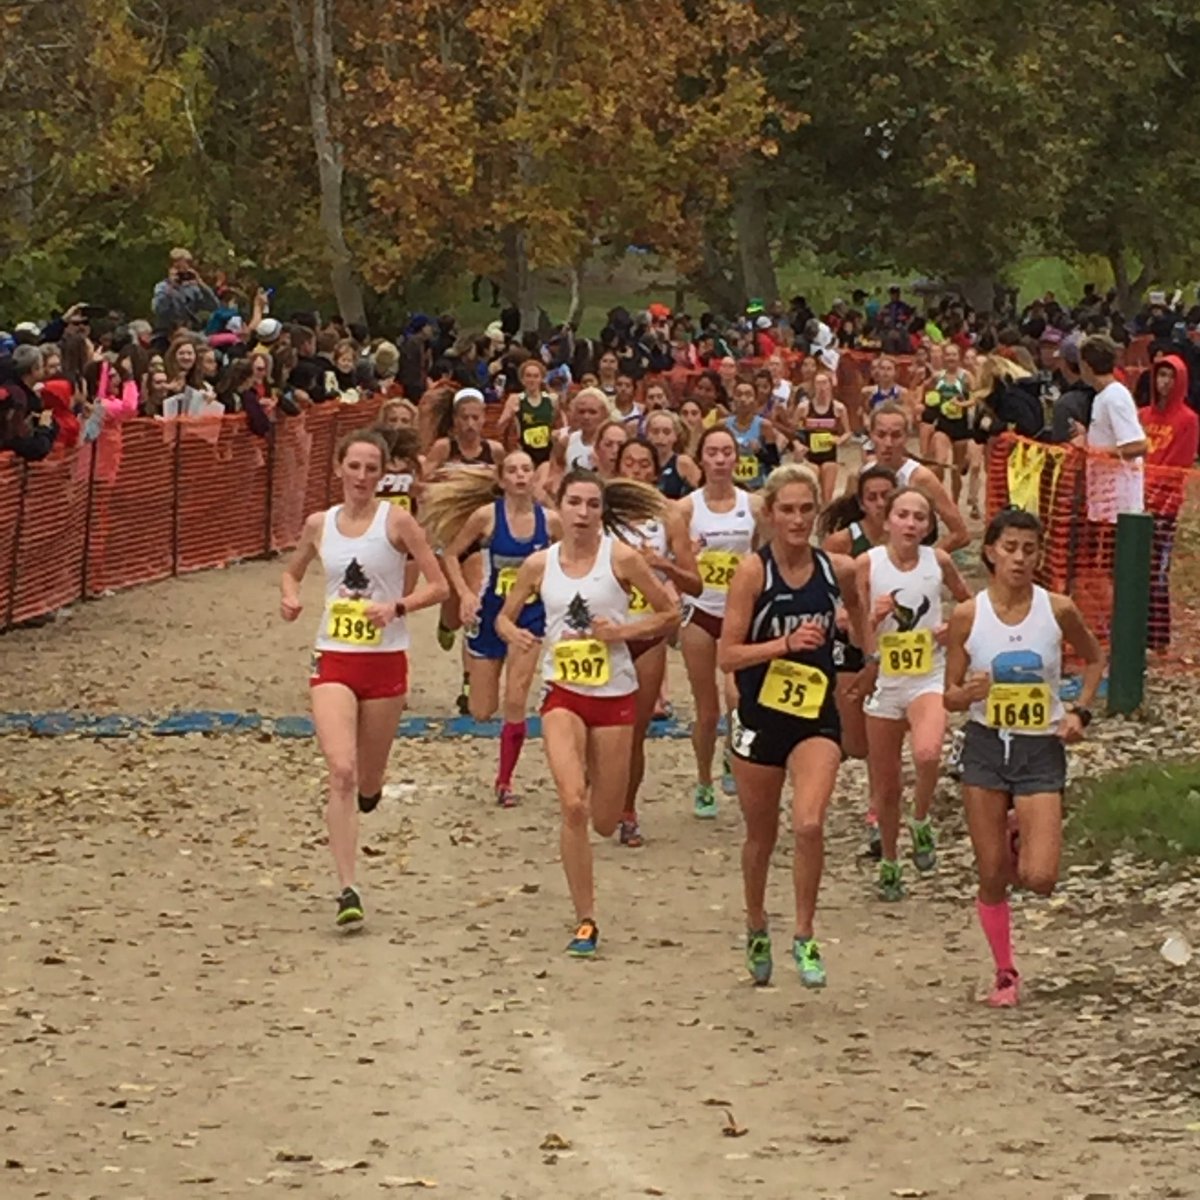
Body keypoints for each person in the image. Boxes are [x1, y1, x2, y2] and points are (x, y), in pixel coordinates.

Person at [496, 470, 679, 957]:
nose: (582, 513)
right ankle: (586, 918)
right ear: (559, 507)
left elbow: (669, 613)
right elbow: (504, 615)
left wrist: (621, 632)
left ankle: (600, 781)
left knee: (603, 820)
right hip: (563, 693)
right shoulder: (539, 564)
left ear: (602, 512)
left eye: (592, 504)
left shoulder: (621, 559)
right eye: (574, 502)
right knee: (573, 804)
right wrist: (515, 634)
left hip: (614, 695)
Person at [279, 429, 449, 927]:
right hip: (334, 657)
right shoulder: (319, 524)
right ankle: (347, 888)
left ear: (382, 474)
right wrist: (290, 597)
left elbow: (439, 586)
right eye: (353, 466)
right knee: (341, 770)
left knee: (368, 777)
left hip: (384, 660)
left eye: (371, 468)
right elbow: (292, 571)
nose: (361, 476)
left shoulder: (397, 522)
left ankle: (372, 789)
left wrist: (397, 606)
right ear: (338, 468)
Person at [944, 509, 1103, 1006]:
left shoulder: (1058, 609)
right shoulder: (968, 615)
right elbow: (949, 695)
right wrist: (968, 692)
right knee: (990, 871)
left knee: (1040, 878)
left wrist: (1079, 712)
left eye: (1029, 550)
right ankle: (1005, 972)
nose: (1018, 558)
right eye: (1010, 548)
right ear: (990, 551)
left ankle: (1019, 833)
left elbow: (1095, 659)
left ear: (1039, 556)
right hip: (986, 744)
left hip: (1039, 747)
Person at [720, 465, 864, 988]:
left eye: (807, 509)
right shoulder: (752, 573)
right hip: (761, 715)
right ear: (770, 514)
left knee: (808, 824)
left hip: (815, 716)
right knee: (762, 835)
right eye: (788, 510)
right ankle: (756, 922)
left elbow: (859, 616)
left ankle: (804, 933)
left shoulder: (837, 569)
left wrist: (864, 660)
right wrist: (783, 644)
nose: (798, 520)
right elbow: (727, 655)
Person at [856, 485, 971, 900]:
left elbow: (970, 607)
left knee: (927, 753)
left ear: (928, 526)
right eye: (902, 515)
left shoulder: (937, 561)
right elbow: (850, 629)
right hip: (885, 683)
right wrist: (873, 618)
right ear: (886, 521)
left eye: (919, 517)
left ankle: (920, 819)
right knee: (886, 788)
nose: (910, 524)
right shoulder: (867, 564)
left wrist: (951, 628)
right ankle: (890, 861)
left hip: (928, 676)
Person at [426, 452, 560, 806]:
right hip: (488, 615)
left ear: (534, 478)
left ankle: (505, 781)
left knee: (516, 699)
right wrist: (465, 594)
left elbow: (573, 558)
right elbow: (450, 554)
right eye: (512, 470)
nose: (520, 475)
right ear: (501, 480)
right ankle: (467, 655)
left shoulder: (550, 522)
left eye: (526, 469)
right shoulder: (486, 517)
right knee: (482, 710)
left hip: (528, 617)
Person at [613, 439, 702, 846]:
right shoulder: (599, 510)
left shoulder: (668, 516)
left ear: (654, 470)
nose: (635, 470)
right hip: (604, 632)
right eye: (628, 463)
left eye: (643, 464)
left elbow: (694, 582)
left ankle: (627, 810)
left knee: (635, 731)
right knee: (597, 726)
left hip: (647, 633)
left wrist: (663, 565)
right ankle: (596, 784)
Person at [677, 426, 762, 817]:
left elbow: (763, 556)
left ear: (736, 458)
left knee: (737, 698)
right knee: (707, 710)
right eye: (712, 452)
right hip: (700, 610)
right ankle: (703, 781)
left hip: (738, 614)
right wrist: (687, 556)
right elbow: (674, 559)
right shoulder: (685, 509)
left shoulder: (754, 505)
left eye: (727, 452)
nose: (720, 460)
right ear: (701, 459)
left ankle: (733, 754)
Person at [820, 464, 897, 853]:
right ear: (862, 503)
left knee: (883, 736)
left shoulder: (909, 538)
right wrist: (842, 612)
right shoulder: (842, 541)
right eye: (873, 497)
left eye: (887, 496)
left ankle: (877, 813)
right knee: (856, 742)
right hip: (849, 642)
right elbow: (820, 586)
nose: (880, 504)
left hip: (896, 646)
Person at [1076, 335, 1147, 639]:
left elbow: (1137, 445)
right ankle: (1110, 629)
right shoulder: (1102, 397)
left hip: (1117, 504)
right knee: (1099, 571)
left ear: (1087, 365)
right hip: (1102, 501)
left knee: (1108, 572)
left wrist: (1094, 452)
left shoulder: (1115, 396)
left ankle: (1121, 632)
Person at [1139, 354, 1198, 651]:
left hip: (1164, 505)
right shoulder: (1142, 416)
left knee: (1156, 572)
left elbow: (1178, 464)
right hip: (1134, 501)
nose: (1164, 382)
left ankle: (1157, 637)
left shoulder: (1188, 420)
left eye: (1170, 377)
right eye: (1161, 375)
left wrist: (1155, 496)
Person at [862, 403, 970, 552]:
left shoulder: (920, 478)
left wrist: (924, 559)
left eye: (896, 435)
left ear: (906, 437)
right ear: (871, 436)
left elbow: (960, 534)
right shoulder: (865, 474)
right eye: (881, 435)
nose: (888, 443)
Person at [794, 370, 850, 502]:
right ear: (813, 386)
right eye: (818, 383)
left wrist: (839, 440)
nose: (821, 387)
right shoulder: (804, 408)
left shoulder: (838, 408)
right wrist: (798, 445)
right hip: (810, 456)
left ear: (830, 385)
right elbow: (792, 431)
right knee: (812, 492)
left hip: (829, 455)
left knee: (827, 496)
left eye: (824, 382)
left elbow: (848, 432)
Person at [499, 358, 558, 467]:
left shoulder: (552, 400)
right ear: (522, 379)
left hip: (547, 454)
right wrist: (510, 414)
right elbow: (500, 427)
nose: (532, 380)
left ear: (541, 379)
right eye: (528, 376)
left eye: (536, 376)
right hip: (524, 452)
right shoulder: (515, 399)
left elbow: (559, 427)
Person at [725, 380, 778, 492]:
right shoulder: (723, 425)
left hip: (757, 486)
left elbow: (774, 461)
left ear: (755, 400)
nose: (743, 399)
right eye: (739, 394)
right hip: (730, 485)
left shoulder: (764, 426)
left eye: (748, 395)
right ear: (733, 399)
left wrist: (759, 451)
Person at [151, 248, 219, 334]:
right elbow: (158, 309)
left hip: (190, 331)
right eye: (178, 267)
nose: (182, 271)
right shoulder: (162, 287)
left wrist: (201, 283)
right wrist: (171, 287)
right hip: (167, 332)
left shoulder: (192, 289)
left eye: (185, 267)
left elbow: (214, 306)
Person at [646, 410, 700, 498]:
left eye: (666, 432)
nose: (660, 437)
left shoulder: (683, 462)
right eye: (655, 432)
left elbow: (702, 492)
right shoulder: (641, 463)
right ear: (647, 435)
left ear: (675, 436)